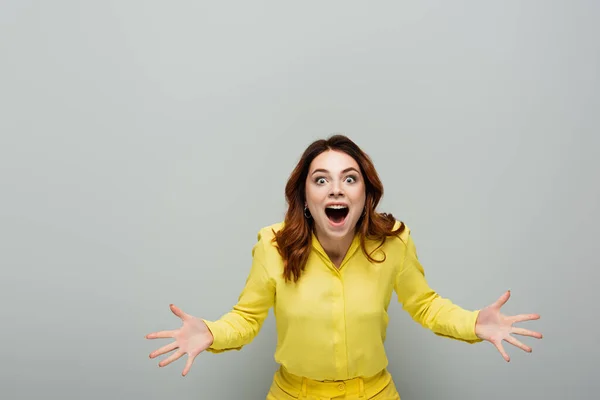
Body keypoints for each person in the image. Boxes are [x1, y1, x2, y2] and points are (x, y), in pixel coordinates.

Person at [145, 135, 542, 399]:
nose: (336, 188)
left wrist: (475, 324)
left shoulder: (394, 241)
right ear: (305, 196)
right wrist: (212, 333)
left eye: (349, 178)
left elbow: (426, 306)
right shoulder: (273, 244)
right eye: (321, 180)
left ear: (365, 193)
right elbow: (247, 319)